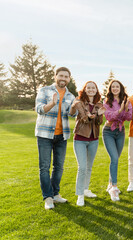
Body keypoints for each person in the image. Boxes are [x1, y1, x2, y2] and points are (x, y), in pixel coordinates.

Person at [35, 67, 76, 209]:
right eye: (61, 75)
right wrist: (52, 103)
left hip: (62, 135)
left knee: (58, 167)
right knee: (44, 167)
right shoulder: (45, 90)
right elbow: (39, 109)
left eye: (66, 76)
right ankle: (48, 197)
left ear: (69, 79)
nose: (63, 78)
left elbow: (72, 114)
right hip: (45, 135)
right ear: (55, 76)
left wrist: (75, 107)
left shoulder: (71, 96)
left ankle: (55, 194)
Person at [70, 81, 106, 206]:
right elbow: (84, 119)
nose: (91, 90)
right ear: (85, 90)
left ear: (96, 90)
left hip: (93, 140)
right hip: (80, 138)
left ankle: (85, 189)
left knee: (89, 167)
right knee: (82, 167)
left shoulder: (99, 105)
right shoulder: (80, 103)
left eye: (93, 88)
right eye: (88, 88)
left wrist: (99, 116)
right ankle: (80, 195)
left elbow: (98, 123)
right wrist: (94, 115)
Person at [103, 80, 132, 201]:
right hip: (108, 131)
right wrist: (120, 110)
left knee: (115, 159)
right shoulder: (106, 101)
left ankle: (110, 184)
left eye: (117, 86)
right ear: (110, 89)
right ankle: (114, 187)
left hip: (120, 132)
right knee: (114, 158)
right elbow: (109, 116)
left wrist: (125, 109)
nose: (115, 88)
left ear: (121, 88)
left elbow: (129, 117)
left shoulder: (126, 101)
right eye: (113, 87)